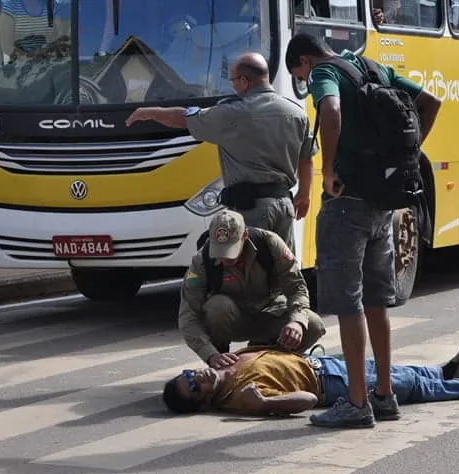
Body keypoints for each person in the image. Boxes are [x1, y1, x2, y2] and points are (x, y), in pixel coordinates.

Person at [283, 33, 442, 428]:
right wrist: (407, 156)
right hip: (382, 203)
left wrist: (329, 170)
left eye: (299, 76)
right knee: (376, 302)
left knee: (348, 303)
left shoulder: (324, 72)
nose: (305, 82)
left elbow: (331, 109)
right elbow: (431, 102)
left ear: (305, 61)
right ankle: (384, 395)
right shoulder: (373, 67)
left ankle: (356, 403)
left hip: (347, 203)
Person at [125, 52, 316, 253]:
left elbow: (184, 118)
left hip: (251, 208)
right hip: (284, 207)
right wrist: (304, 194)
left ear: (244, 81)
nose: (233, 86)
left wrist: (151, 112)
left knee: (247, 268)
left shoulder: (233, 113)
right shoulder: (297, 113)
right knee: (284, 267)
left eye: (233, 81)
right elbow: (306, 159)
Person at [162, 339, 459, 417]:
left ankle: (444, 371)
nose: (196, 375)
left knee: (390, 370)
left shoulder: (225, 362)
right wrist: (267, 403)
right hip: (326, 385)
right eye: (193, 385)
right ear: (202, 402)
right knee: (403, 387)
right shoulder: (239, 397)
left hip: (322, 363)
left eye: (188, 374)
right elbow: (308, 401)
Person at [178, 209, 326, 369]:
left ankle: (269, 362)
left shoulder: (269, 243)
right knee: (217, 307)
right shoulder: (201, 261)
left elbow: (296, 287)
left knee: (312, 324)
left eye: (231, 250)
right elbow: (188, 316)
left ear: (245, 236)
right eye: (220, 251)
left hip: (271, 312)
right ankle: (222, 367)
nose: (225, 258)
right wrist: (211, 355)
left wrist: (296, 322)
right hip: (234, 320)